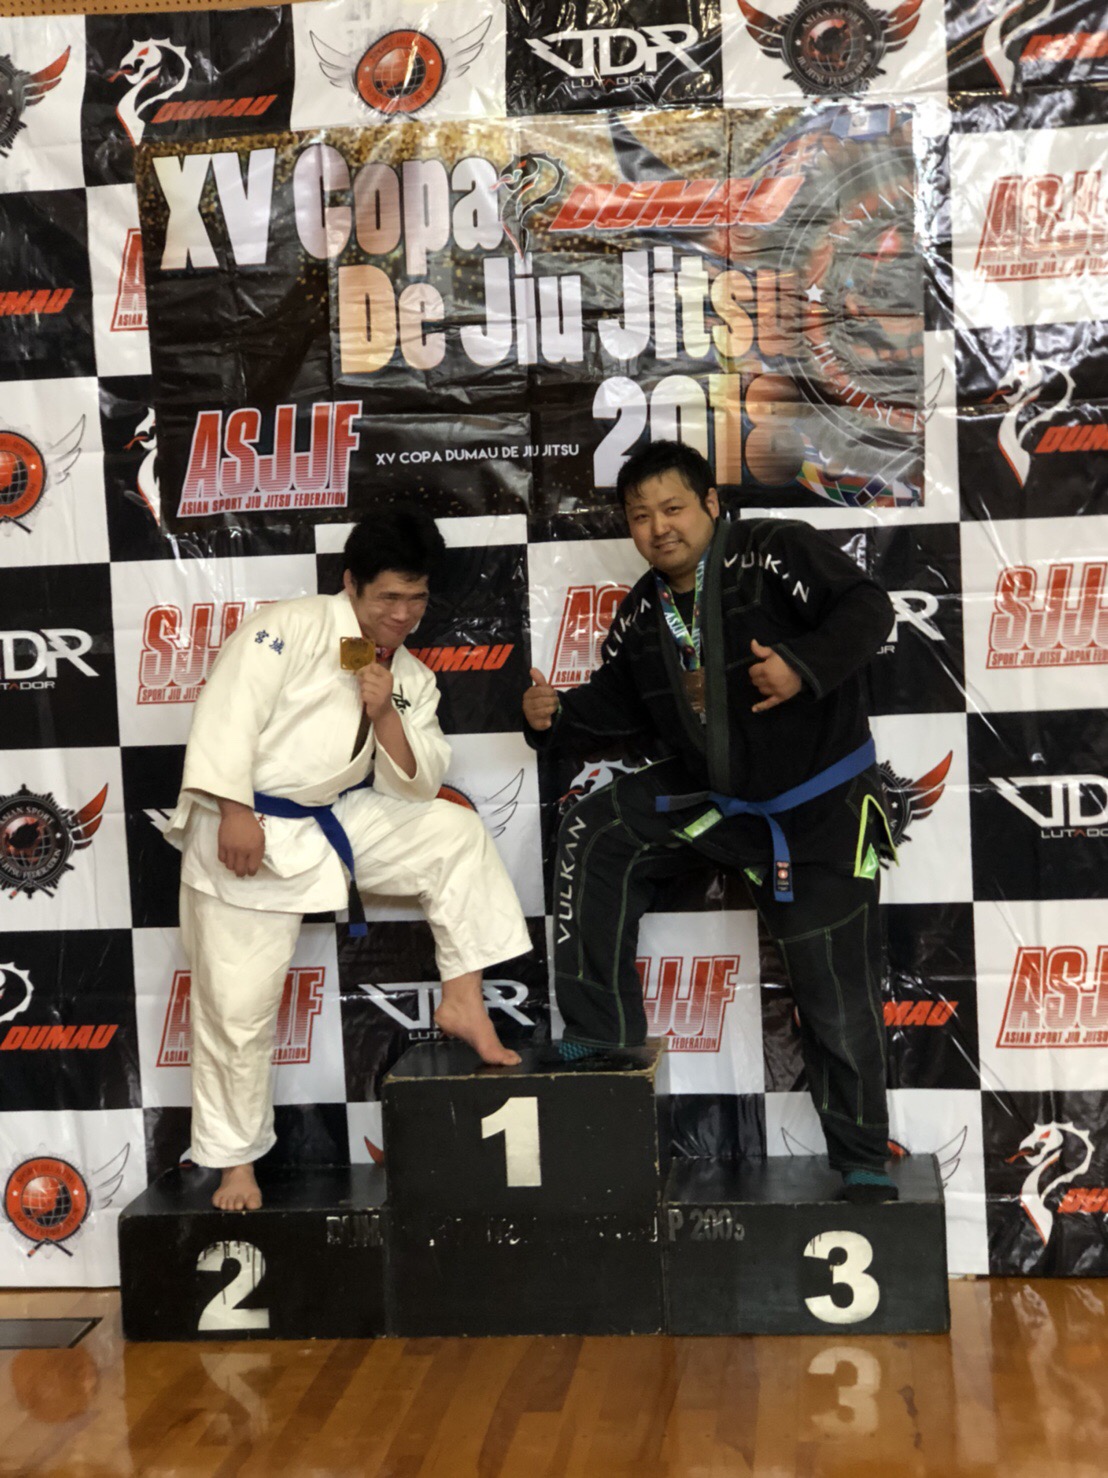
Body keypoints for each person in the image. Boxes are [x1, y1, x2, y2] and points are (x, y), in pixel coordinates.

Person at [523, 441, 898, 1203]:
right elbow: (616, 704)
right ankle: (599, 1032)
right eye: (640, 516)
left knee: (833, 997)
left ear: (711, 505)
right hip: (721, 804)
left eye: (673, 508)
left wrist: (802, 665)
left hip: (817, 814)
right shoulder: (643, 608)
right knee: (598, 827)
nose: (658, 527)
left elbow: (869, 608)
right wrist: (554, 715)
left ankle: (862, 1159)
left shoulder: (774, 551)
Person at [166, 508, 531, 1210]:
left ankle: (463, 1000)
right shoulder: (292, 627)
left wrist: (385, 713)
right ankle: (236, 1163)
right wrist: (234, 811)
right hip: (247, 824)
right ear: (351, 584)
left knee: (451, 831)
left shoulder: (408, 674)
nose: (403, 614)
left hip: (327, 821)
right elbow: (227, 712)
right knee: (235, 1012)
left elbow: (418, 782)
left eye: (417, 598)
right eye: (389, 597)